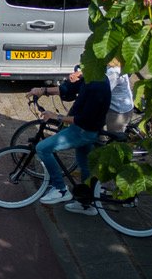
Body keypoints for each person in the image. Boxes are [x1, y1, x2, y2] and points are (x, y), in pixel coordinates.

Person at [27, 65, 112, 213]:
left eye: (83, 64)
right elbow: (68, 89)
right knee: (85, 165)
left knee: (42, 148)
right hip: (84, 128)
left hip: (83, 131)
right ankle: (86, 204)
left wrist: (57, 116)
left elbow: (84, 119)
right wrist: (42, 90)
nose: (78, 69)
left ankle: (60, 189)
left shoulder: (98, 86)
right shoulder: (92, 77)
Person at [106, 58, 135, 133]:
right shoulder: (118, 66)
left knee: (114, 136)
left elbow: (103, 91)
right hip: (124, 107)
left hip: (118, 111)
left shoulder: (113, 72)